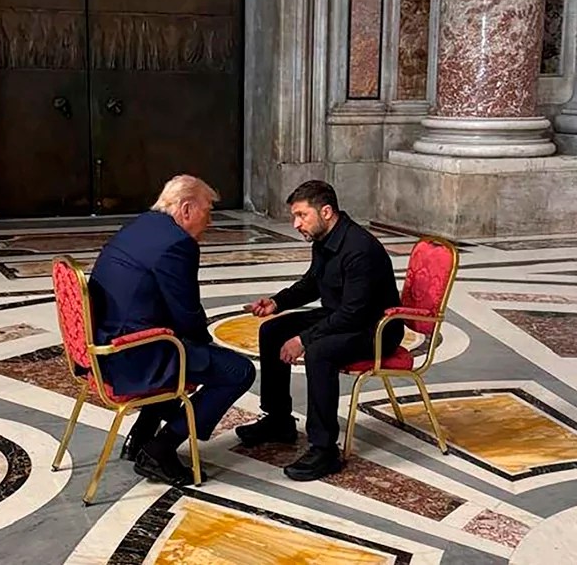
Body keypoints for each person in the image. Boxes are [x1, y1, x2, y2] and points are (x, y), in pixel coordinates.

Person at [88, 175, 256, 485]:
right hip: (134, 356)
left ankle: (140, 436)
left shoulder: (141, 226)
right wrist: (208, 350)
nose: (210, 220)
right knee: (238, 371)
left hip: (105, 347)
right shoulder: (178, 243)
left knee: (185, 349)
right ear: (187, 208)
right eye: (208, 210)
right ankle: (160, 447)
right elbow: (187, 313)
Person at [235, 180, 402, 481]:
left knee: (320, 352)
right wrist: (277, 302)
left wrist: (303, 339)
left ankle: (325, 449)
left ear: (326, 211)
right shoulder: (325, 239)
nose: (296, 223)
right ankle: (278, 420)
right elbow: (313, 282)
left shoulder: (359, 249)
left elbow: (354, 314)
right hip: (342, 316)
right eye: (295, 216)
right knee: (272, 331)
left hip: (374, 329)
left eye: (302, 215)